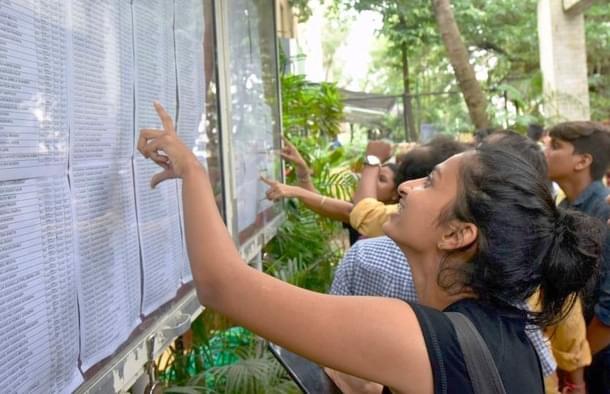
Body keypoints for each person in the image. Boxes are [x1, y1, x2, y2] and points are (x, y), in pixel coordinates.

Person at [138, 102, 603, 393]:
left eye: (431, 182)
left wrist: (193, 171)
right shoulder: (507, 335)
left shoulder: (423, 336)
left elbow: (223, 286)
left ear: (458, 235)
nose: (406, 187)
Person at [545, 121, 610, 393]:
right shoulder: (563, 207)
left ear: (582, 161)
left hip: (599, 359)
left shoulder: (604, 213)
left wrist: (573, 367)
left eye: (555, 146)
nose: (545, 151)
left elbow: (608, 314)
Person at [350, 136, 468, 237]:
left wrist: (373, 159)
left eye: (429, 181)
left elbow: (365, 213)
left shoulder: (411, 217)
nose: (404, 187)